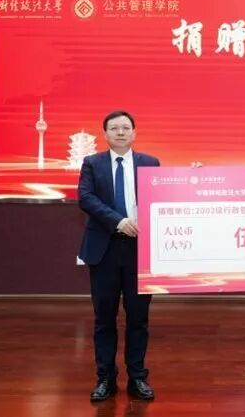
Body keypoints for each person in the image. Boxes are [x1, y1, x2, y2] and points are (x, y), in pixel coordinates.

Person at [78, 110, 159, 402]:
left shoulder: (150, 163)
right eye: (114, 128)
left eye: (126, 127)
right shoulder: (92, 163)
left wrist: (193, 177)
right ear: (105, 134)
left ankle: (137, 377)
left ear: (134, 133)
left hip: (140, 250)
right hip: (105, 249)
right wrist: (118, 221)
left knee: (138, 318)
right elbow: (86, 198)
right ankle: (105, 378)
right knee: (104, 318)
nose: (121, 132)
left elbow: (167, 192)